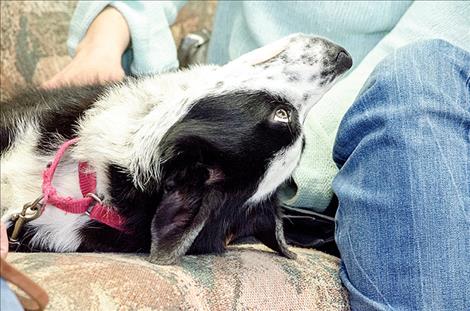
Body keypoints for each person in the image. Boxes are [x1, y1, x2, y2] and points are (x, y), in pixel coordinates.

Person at [9, 1, 470, 310]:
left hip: (333, 162)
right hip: (226, 140)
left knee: (423, 69)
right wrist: (105, 39)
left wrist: (267, 171)